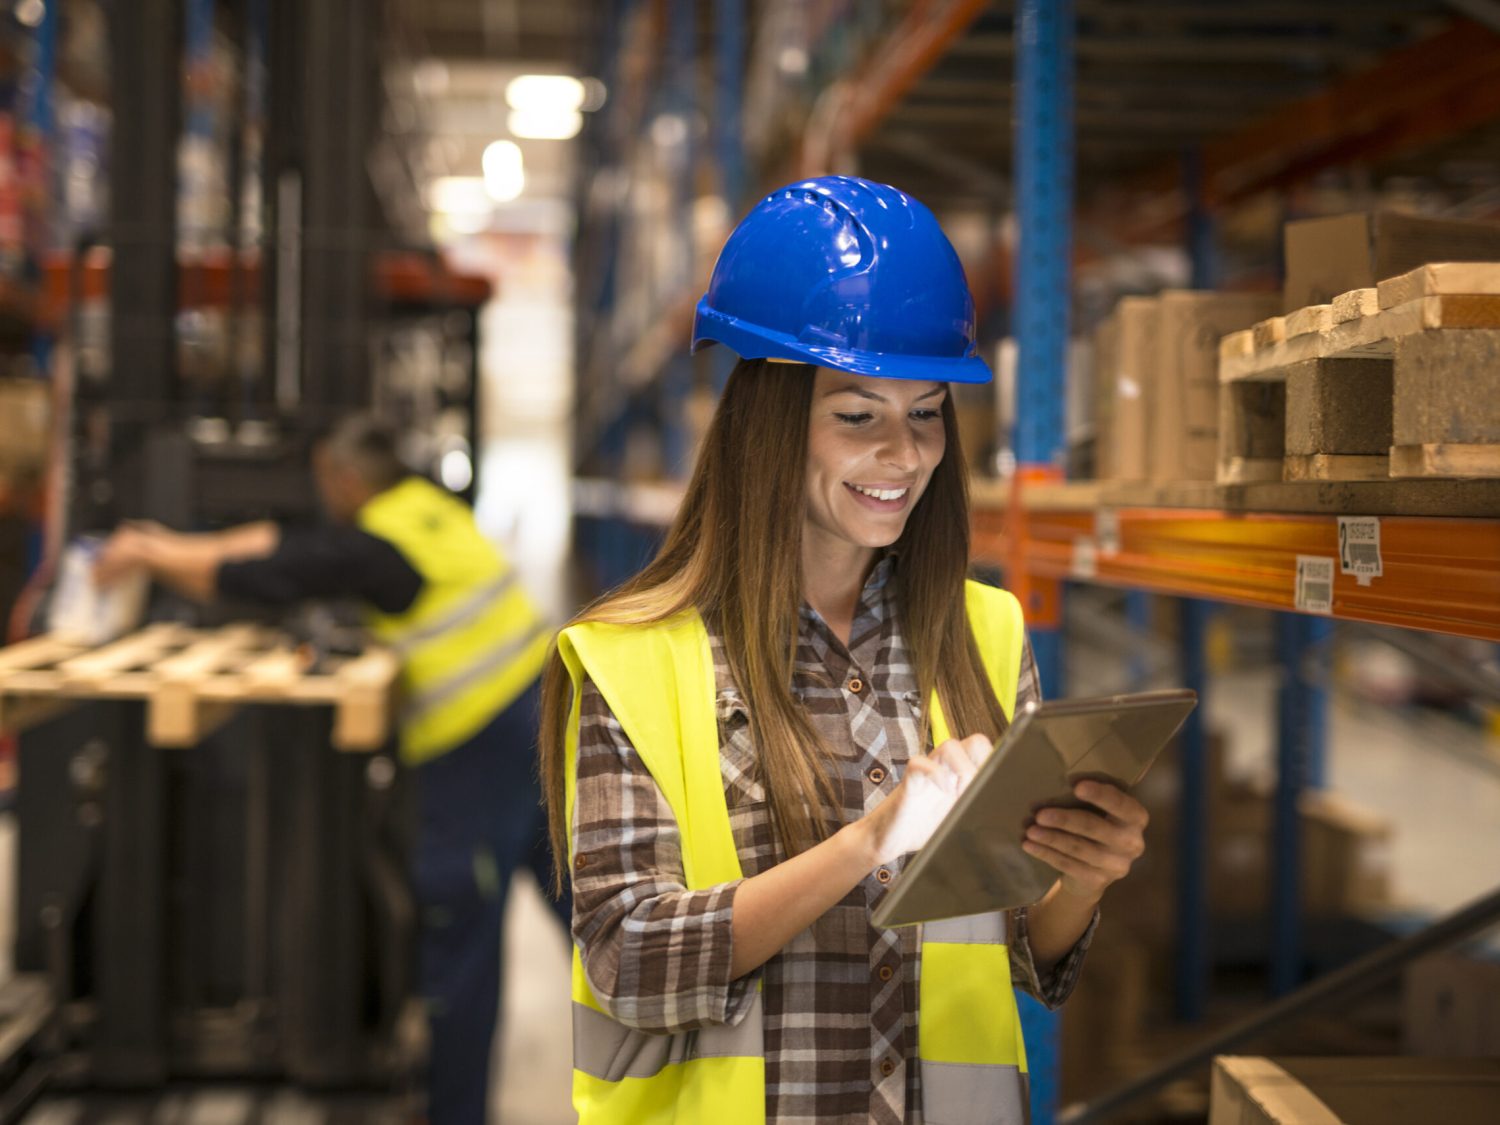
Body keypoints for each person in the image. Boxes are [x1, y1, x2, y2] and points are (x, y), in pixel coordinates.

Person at [537, 176, 1151, 1124]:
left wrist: (1086, 872)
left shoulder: (984, 634)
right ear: (773, 429)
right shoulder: (633, 660)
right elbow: (628, 961)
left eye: (927, 412)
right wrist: (868, 841)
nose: (903, 455)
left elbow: (1023, 950)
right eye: (857, 415)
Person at [96, 416, 568, 1125]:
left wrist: (152, 558)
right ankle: (687, 1044)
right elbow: (289, 545)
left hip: (476, 751)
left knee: (459, 935)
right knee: (585, 905)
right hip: (540, 726)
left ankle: (454, 1114)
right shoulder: (427, 508)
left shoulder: (377, 546)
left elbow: (265, 571)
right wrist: (158, 541)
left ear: (344, 481)